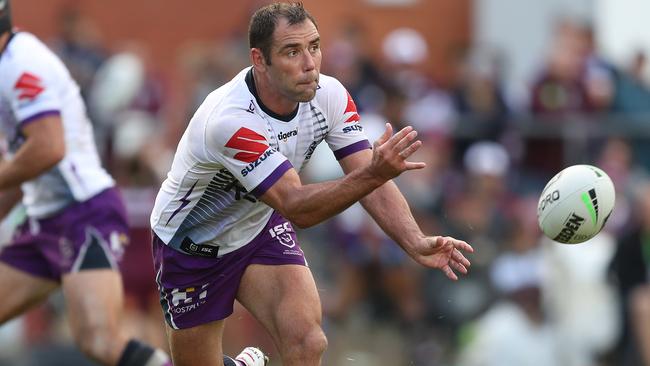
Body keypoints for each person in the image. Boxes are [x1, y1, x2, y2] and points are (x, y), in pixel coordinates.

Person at [150, 3, 474, 366]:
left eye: (314, 47)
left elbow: (370, 178)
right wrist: (375, 173)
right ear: (260, 60)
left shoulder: (330, 95)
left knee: (307, 341)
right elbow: (298, 205)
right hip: (194, 244)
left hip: (259, 226)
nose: (310, 64)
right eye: (292, 51)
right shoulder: (230, 120)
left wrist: (414, 241)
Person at [0, 1, 172, 365]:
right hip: (45, 217)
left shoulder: (20, 62)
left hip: (83, 212)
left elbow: (48, 148)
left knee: (99, 340)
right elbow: (20, 171)